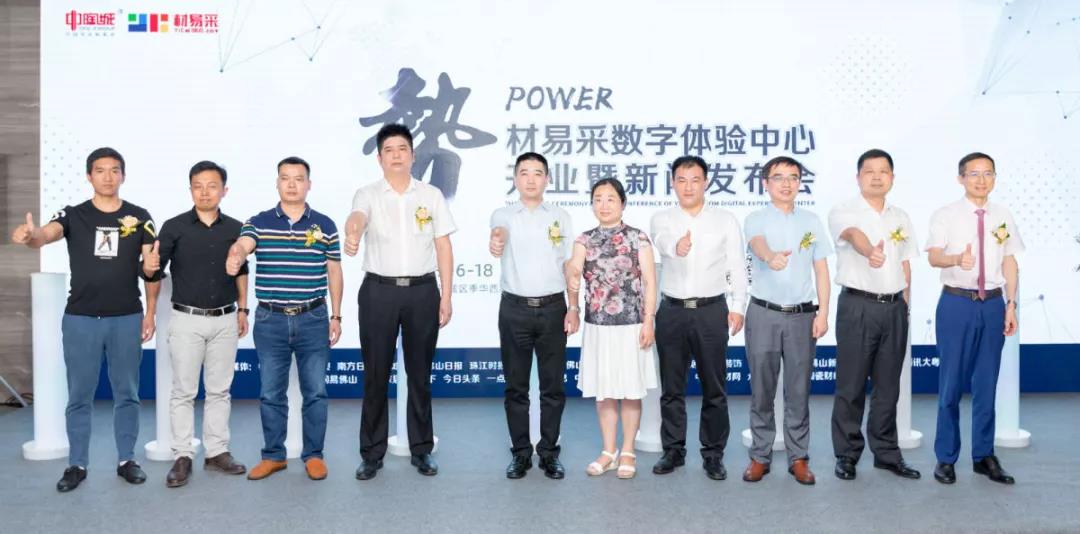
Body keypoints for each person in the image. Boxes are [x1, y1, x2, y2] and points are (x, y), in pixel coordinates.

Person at [11, 147, 159, 492]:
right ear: (89, 176)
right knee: (79, 394)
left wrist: (151, 310)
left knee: (127, 393)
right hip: (81, 318)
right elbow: (45, 235)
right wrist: (31, 236)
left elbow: (151, 269)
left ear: (123, 175)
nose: (108, 176)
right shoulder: (74, 214)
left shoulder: (140, 217)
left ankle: (127, 460)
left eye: (114, 170)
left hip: (126, 317)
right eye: (100, 170)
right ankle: (77, 464)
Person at [344, 124, 456, 480]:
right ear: (380, 158)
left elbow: (443, 246)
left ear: (412, 155)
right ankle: (371, 453)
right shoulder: (367, 194)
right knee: (375, 374)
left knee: (420, 375)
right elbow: (357, 217)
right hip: (379, 291)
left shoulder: (431, 195)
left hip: (423, 291)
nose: (396, 155)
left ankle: (421, 449)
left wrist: (446, 294)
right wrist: (352, 231)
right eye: (389, 150)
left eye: (402, 149)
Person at [226, 157, 343, 481]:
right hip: (271, 320)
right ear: (277, 183)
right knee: (270, 392)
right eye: (285, 178)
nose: (292, 184)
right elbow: (244, 243)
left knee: (315, 391)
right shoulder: (259, 221)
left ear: (309, 184)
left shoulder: (325, 225)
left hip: (313, 317)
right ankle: (273, 456)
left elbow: (334, 271)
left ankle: (314, 455)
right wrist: (236, 253)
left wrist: (336, 315)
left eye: (298, 178)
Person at [144, 160, 250, 487]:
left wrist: (243, 309)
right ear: (190, 189)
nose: (205, 192)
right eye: (198, 186)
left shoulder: (237, 228)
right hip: (186, 319)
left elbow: (242, 270)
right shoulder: (174, 226)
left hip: (225, 319)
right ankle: (182, 455)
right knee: (184, 392)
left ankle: (217, 451)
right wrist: (147, 267)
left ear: (224, 190)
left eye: (212, 186)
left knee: (220, 390)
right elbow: (154, 271)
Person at [925, 152, 1023, 485]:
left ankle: (983, 455)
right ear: (961, 178)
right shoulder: (946, 215)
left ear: (994, 178)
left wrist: (1011, 304)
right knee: (950, 384)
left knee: (986, 383)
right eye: (974, 174)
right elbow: (934, 257)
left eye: (988, 173)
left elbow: (1009, 261)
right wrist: (956, 259)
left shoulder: (1003, 215)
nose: (981, 180)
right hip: (957, 303)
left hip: (993, 304)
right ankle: (946, 457)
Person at [649, 155, 747, 481]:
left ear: (706, 182)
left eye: (695, 180)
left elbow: (736, 265)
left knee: (714, 387)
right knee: (671, 388)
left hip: (711, 311)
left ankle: (713, 454)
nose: (688, 186)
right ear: (673, 183)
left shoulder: (725, 220)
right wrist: (676, 246)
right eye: (681, 180)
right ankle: (673, 451)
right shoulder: (662, 218)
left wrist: (738, 305)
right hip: (672, 311)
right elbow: (661, 241)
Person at [828, 149, 921, 481]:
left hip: (894, 308)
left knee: (888, 387)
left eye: (884, 171)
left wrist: (906, 305)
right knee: (851, 385)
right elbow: (853, 236)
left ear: (892, 178)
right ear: (858, 178)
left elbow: (906, 262)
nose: (877, 177)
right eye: (870, 171)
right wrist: (870, 251)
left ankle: (886, 453)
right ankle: (847, 454)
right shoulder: (843, 210)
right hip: (858, 306)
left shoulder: (901, 216)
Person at [741, 156, 832, 485]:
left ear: (799, 183)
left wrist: (824, 312)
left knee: (798, 390)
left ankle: (799, 458)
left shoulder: (811, 221)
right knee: (762, 390)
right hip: (763, 313)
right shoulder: (755, 218)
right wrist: (770, 258)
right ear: (766, 183)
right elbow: (757, 244)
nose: (786, 183)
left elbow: (821, 269)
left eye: (793, 177)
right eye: (778, 177)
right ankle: (760, 456)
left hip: (802, 316)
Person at [489, 152, 579, 479]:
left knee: (552, 387)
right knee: (516, 387)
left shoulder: (560, 216)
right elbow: (498, 234)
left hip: (554, 308)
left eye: (537, 173)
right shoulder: (503, 214)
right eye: (524, 173)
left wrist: (574, 306)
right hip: (514, 309)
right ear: (515, 179)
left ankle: (549, 453)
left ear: (547, 179)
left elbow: (570, 265)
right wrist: (496, 241)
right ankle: (521, 453)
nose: (530, 179)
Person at [566, 178, 658, 479]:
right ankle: (609, 451)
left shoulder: (638, 238)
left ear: (622, 203)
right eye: (598, 199)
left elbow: (650, 282)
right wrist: (572, 297)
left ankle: (628, 450)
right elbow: (574, 273)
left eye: (610, 199)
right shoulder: (584, 240)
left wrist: (649, 320)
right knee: (604, 392)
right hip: (598, 326)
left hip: (632, 325)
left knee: (631, 390)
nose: (603, 205)